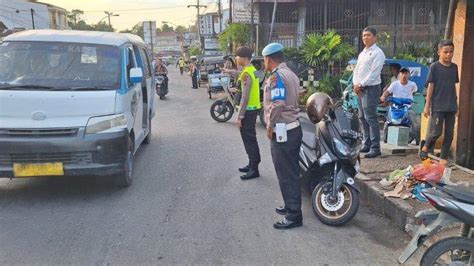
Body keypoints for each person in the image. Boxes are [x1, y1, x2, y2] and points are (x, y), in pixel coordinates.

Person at [262, 43, 303, 230]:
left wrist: (269, 126)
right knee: (291, 171)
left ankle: (293, 215)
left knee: (286, 174)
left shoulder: (276, 77)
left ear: (268, 59)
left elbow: (278, 103)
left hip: (283, 131)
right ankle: (290, 205)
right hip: (293, 128)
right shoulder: (291, 74)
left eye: (264, 59)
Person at [420, 40, 459, 165]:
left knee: (449, 134)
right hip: (438, 105)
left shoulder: (454, 67)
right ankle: (425, 147)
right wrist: (427, 106)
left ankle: (443, 158)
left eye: (451, 52)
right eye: (445, 52)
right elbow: (431, 87)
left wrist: (456, 104)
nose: (448, 55)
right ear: (439, 52)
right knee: (436, 132)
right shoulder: (434, 67)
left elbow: (453, 86)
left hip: (451, 106)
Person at [353, 26, 386, 158]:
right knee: (361, 116)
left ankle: (375, 147)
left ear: (375, 37)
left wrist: (361, 84)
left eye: (368, 35)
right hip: (359, 89)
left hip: (371, 89)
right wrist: (355, 84)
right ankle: (366, 144)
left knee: (370, 117)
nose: (365, 38)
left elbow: (374, 73)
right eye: (363, 36)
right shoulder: (362, 53)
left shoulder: (378, 53)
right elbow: (356, 70)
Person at [229, 47, 262, 180]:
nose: (236, 59)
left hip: (248, 111)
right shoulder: (253, 70)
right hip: (253, 109)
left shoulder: (247, 74)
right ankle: (251, 164)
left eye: (236, 57)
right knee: (250, 139)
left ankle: (254, 169)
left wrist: (240, 116)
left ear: (243, 58)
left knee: (249, 140)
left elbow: (245, 97)